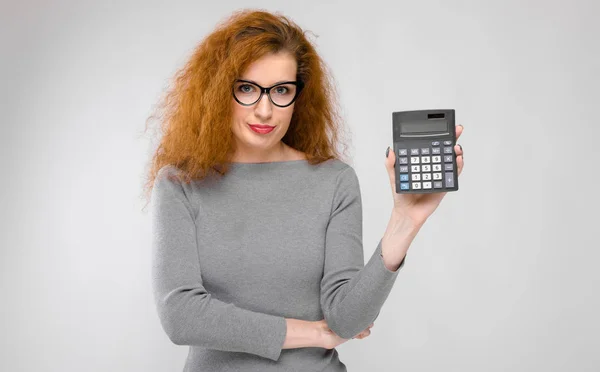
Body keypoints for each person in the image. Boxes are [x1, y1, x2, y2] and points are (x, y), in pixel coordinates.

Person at [143, 8, 464, 372]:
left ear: (299, 96)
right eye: (247, 88)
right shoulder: (180, 184)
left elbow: (346, 320)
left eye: (281, 90)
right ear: (218, 91)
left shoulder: (334, 180)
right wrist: (313, 333)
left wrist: (404, 221)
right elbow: (181, 315)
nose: (265, 110)